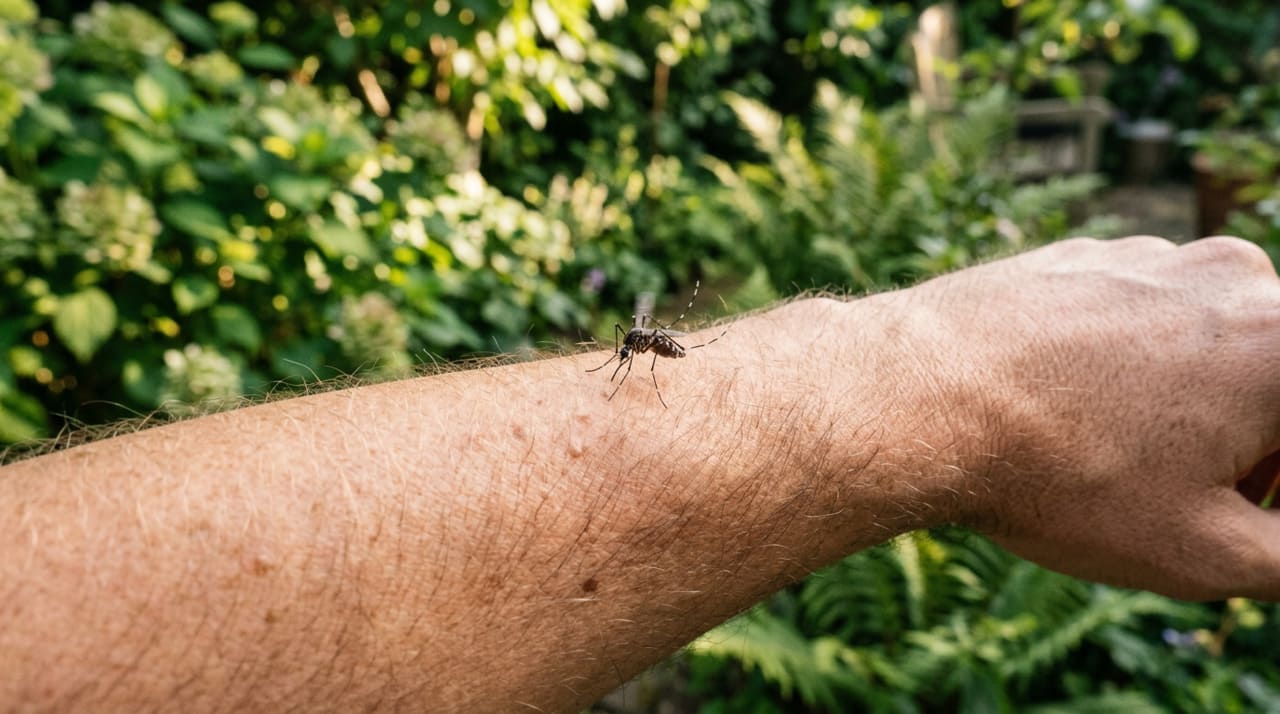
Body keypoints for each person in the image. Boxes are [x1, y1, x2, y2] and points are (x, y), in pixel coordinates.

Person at [1, 235, 1277, 713]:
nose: (642, 349)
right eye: (647, 346)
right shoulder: (643, 352)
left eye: (647, 346)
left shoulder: (656, 344)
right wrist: (928, 372)